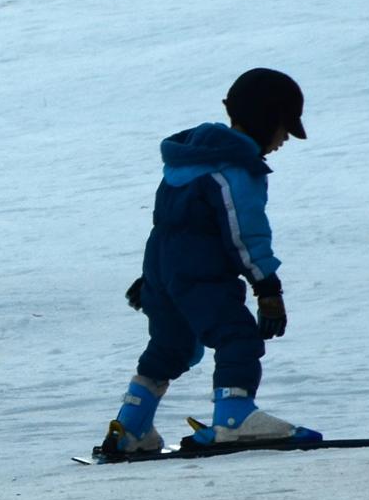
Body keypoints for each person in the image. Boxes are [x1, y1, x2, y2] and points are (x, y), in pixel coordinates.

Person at [100, 69, 314, 455]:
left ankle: (130, 427)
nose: (284, 140)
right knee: (237, 337)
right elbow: (245, 232)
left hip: (165, 272)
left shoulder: (187, 161)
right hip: (202, 274)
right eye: (284, 128)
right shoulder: (234, 168)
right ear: (266, 118)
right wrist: (267, 286)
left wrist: (153, 279)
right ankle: (234, 418)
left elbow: (171, 226)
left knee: (171, 347)